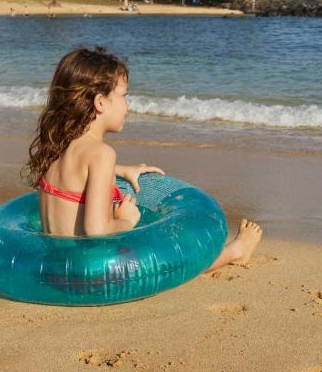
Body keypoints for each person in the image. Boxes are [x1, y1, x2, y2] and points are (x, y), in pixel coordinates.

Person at [26, 47, 262, 268]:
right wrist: (126, 220)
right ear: (100, 102)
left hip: (56, 268)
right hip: (89, 271)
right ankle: (234, 252)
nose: (128, 104)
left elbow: (76, 173)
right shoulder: (101, 154)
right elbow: (96, 233)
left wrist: (119, 170)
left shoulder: (58, 148)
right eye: (123, 95)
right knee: (170, 260)